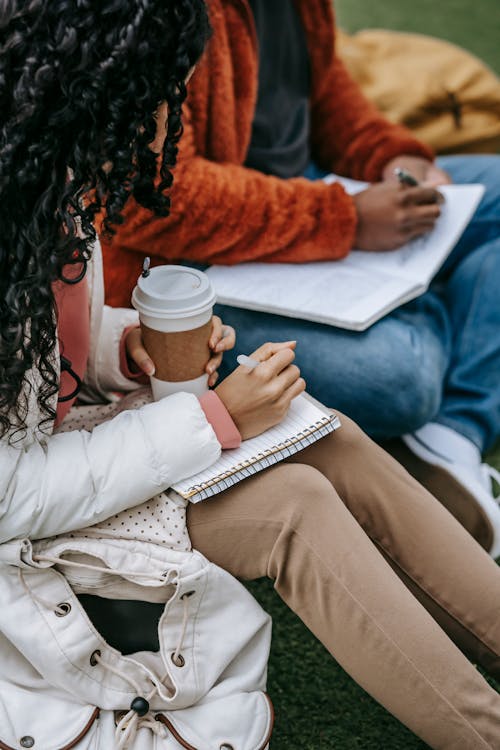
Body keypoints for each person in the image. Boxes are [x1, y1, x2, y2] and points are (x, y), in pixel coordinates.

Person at [2, 2, 500, 749]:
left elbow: (49, 348)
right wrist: (212, 419)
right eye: (171, 92)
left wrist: (124, 347)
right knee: (297, 502)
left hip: (78, 449)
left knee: (328, 435)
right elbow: (10, 492)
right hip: (32, 516)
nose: (180, 115)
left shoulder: (59, 182)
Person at [101, 0, 500, 555]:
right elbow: (151, 198)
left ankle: (451, 437)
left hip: (312, 195)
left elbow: (326, 89)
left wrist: (393, 159)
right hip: (195, 263)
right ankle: (431, 309)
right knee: (401, 377)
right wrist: (348, 220)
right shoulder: (154, 16)